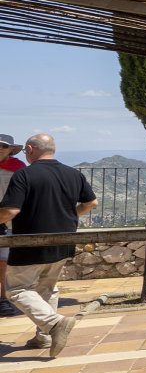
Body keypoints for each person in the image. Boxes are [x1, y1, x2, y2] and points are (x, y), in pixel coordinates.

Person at [0, 134, 97, 356]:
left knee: (17, 290)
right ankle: (43, 337)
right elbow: (91, 202)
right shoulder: (73, 174)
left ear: (31, 149)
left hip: (30, 242)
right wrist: (69, 215)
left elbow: (10, 211)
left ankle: (54, 323)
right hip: (63, 241)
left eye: (26, 151)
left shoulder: (24, 174)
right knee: (47, 289)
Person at [0, 134, 26, 317]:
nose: (0, 148)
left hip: (8, 221)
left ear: (10, 149)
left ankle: (3, 299)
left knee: (3, 263)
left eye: (4, 146)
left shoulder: (18, 170)